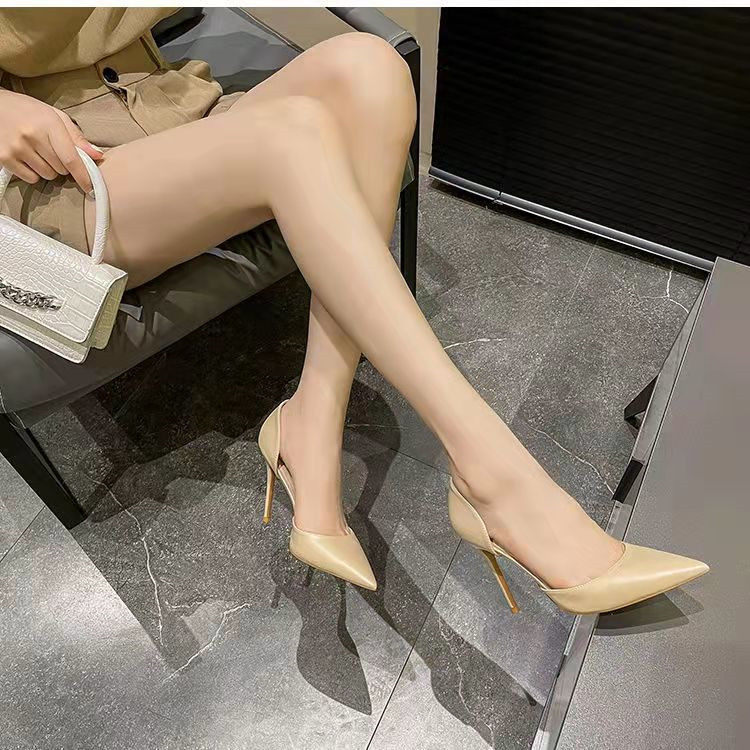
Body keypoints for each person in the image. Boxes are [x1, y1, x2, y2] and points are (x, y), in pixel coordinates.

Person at [0, 8, 707, 612]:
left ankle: (314, 419)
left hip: (163, 100)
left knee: (371, 66)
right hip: (54, 170)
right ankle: (496, 478)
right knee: (290, 133)